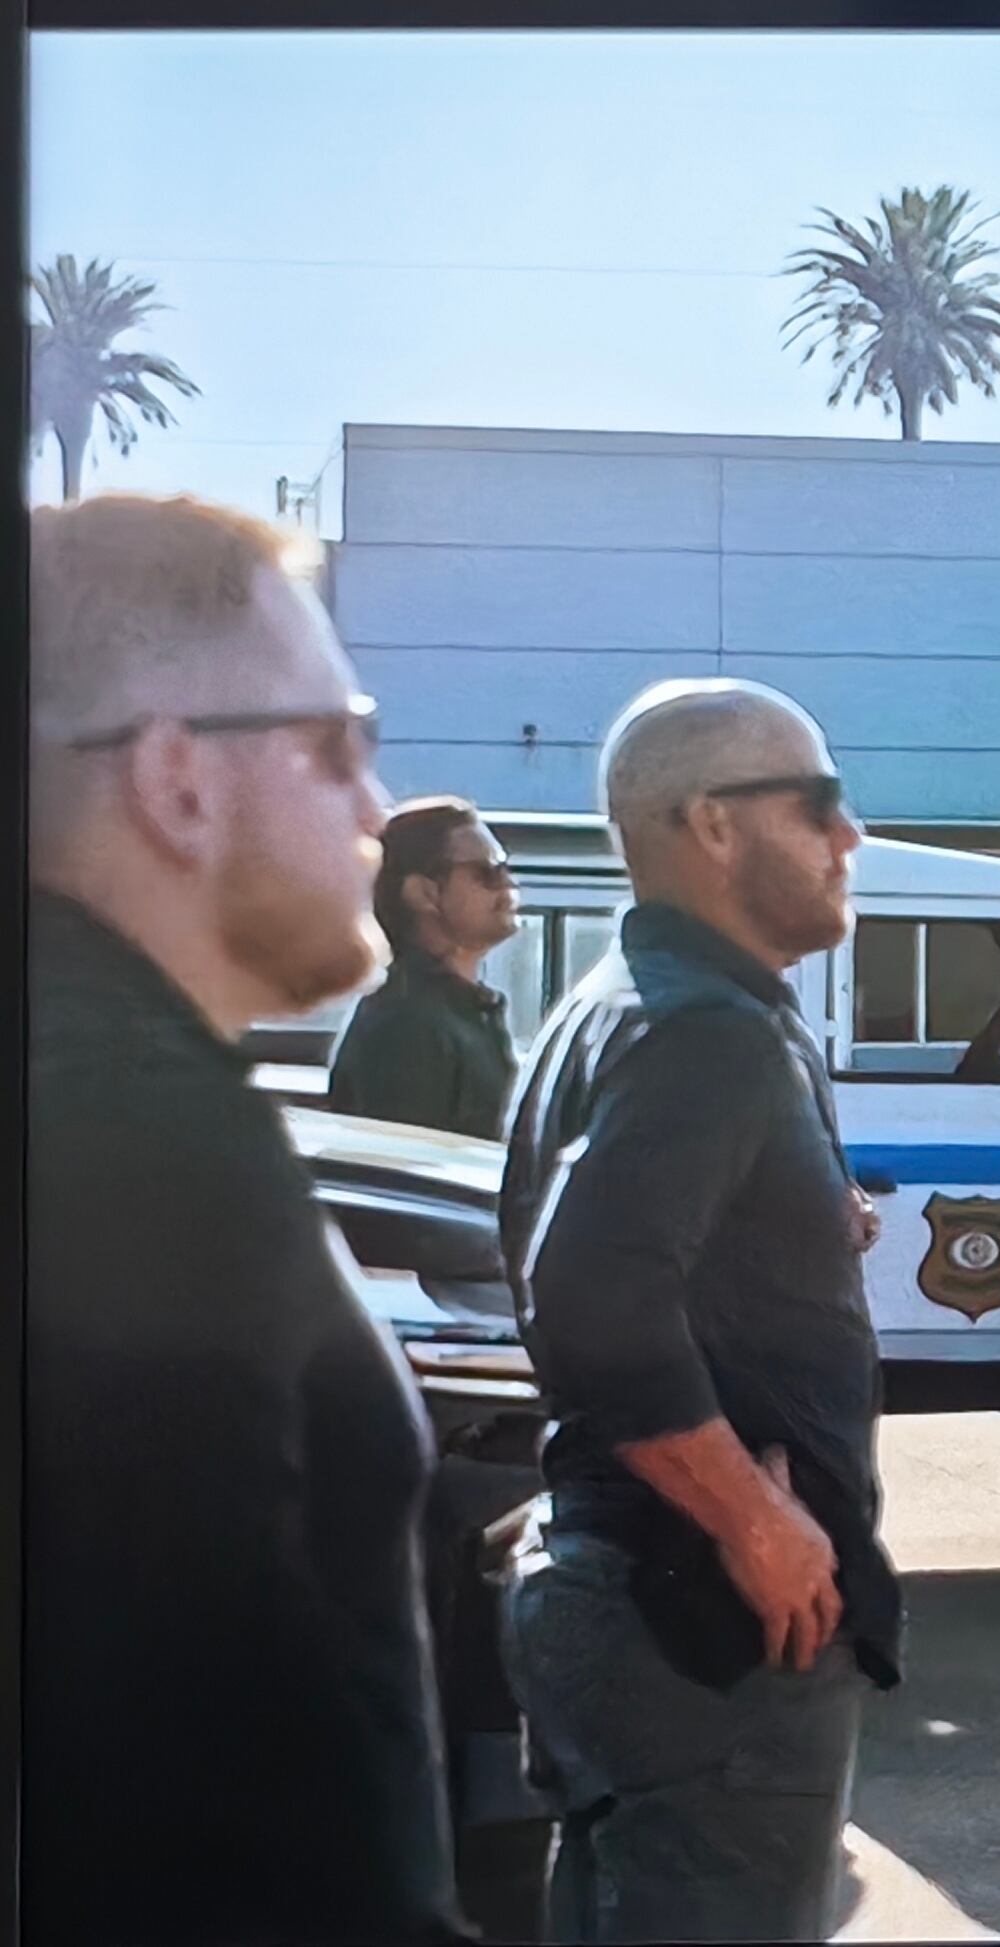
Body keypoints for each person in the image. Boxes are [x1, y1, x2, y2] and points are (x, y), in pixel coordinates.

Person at [25, 493, 467, 1943]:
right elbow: (209, 1824)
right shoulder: (142, 1145)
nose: (371, 809)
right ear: (176, 778)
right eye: (340, 741)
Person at [496, 677, 901, 1942]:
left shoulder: (616, 1005)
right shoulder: (702, 1030)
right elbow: (591, 1296)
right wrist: (752, 1518)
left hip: (632, 1608)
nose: (852, 837)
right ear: (712, 825)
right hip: (704, 1628)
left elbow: (618, 1251)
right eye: (821, 804)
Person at [328, 795, 524, 1135]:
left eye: (505, 868)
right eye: (487, 872)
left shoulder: (462, 1012)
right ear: (424, 893)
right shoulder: (403, 1027)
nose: (509, 885)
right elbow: (401, 1176)